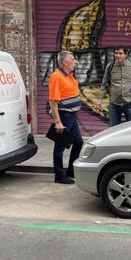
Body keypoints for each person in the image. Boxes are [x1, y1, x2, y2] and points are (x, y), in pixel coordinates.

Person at [48, 50, 83, 184]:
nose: (76, 62)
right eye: (73, 59)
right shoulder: (56, 77)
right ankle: (59, 175)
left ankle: (70, 171)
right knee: (60, 146)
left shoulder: (68, 75)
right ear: (65, 62)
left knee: (79, 142)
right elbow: (53, 101)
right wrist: (57, 122)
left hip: (72, 115)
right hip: (64, 115)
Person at [97, 46, 131, 126]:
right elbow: (104, 84)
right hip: (114, 104)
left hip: (130, 103)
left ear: (126, 55)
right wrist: (100, 99)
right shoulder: (110, 66)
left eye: (120, 53)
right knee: (113, 130)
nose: (117, 55)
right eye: (116, 53)